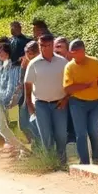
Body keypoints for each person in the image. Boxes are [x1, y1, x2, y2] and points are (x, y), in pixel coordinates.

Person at [25, 34, 69, 168]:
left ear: (51, 45)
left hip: (59, 103)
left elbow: (69, 83)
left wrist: (66, 99)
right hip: (41, 104)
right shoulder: (33, 63)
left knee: (61, 135)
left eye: (46, 45)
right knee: (46, 136)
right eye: (41, 46)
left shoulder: (62, 62)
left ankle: (62, 163)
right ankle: (51, 164)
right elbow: (27, 84)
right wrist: (29, 105)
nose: (43, 48)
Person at [63, 40, 98, 165]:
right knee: (81, 133)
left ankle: (97, 159)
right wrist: (86, 85)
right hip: (77, 103)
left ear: (83, 51)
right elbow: (68, 88)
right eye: (71, 53)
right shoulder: (69, 67)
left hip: (94, 103)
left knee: (94, 130)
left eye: (75, 53)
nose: (73, 56)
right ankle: (84, 163)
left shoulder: (94, 62)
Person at [0, 42, 28, 158]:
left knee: (15, 128)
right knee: (2, 127)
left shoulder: (14, 67)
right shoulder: (1, 67)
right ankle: (23, 149)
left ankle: (25, 150)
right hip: (1, 99)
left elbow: (11, 89)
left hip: (11, 100)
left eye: (2, 51)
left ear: (8, 51)